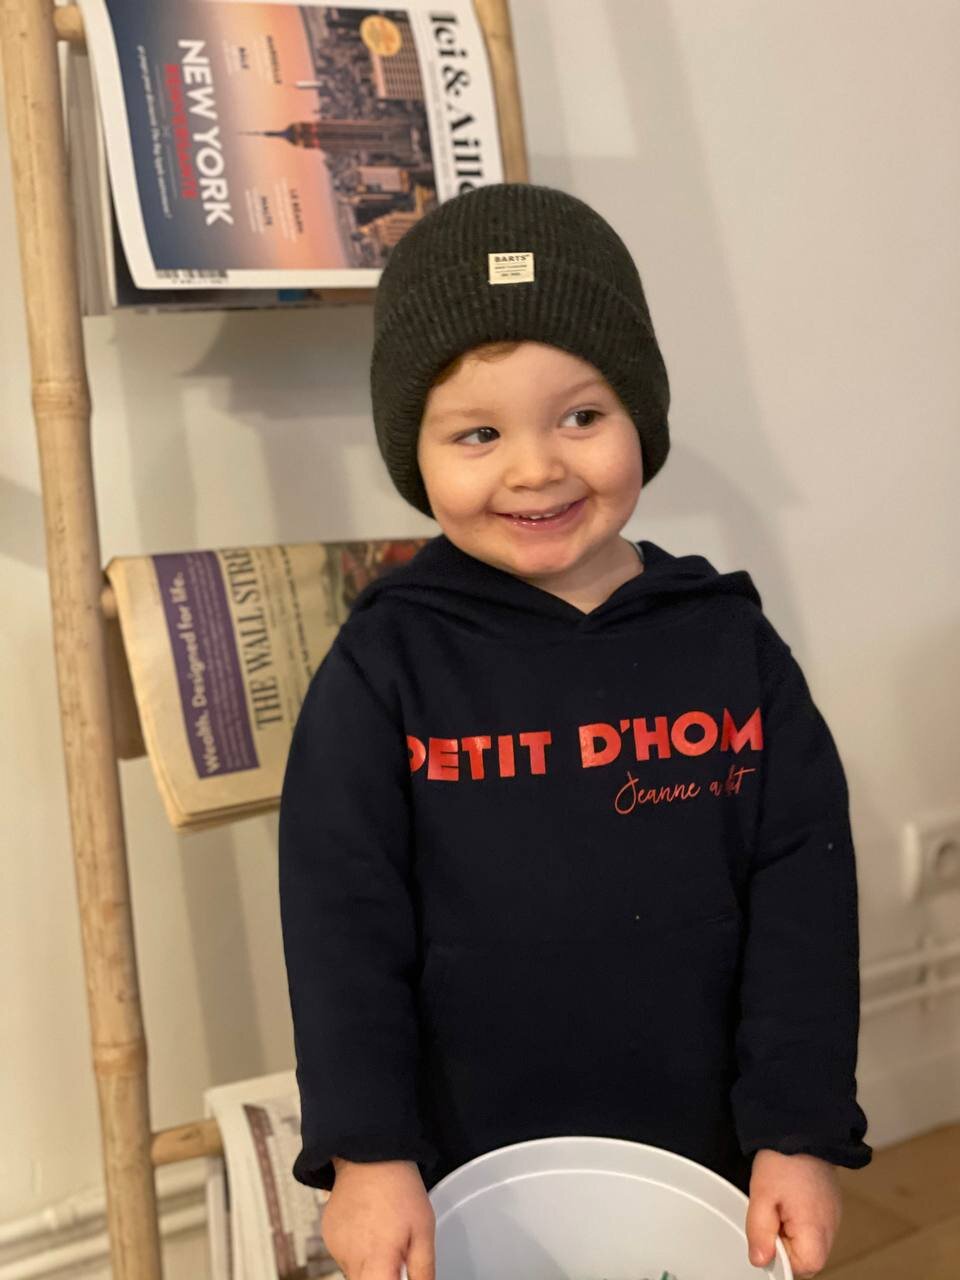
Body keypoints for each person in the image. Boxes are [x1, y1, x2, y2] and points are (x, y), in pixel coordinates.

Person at [278, 182, 872, 1280]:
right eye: (478, 432)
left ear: (642, 414)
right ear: (416, 452)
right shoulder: (384, 667)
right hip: (468, 1165)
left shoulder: (731, 647)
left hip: (706, 1156)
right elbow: (339, 927)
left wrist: (799, 1129)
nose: (536, 466)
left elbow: (806, 901)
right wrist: (367, 1151)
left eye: (582, 417)